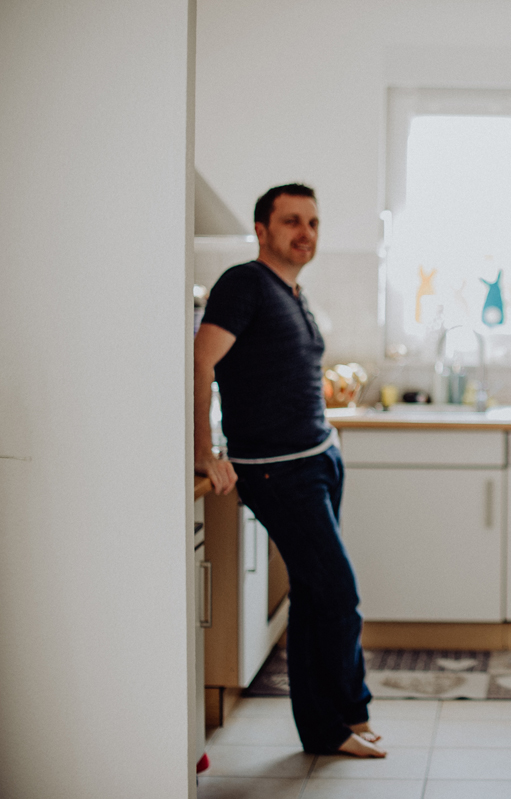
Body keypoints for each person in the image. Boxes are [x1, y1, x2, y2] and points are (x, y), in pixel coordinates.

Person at [194, 184, 384, 758]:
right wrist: (205, 451)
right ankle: (342, 716)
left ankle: (329, 726)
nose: (306, 233)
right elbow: (200, 361)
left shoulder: (289, 290)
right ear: (262, 229)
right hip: (278, 472)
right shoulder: (244, 283)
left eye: (314, 223)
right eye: (292, 222)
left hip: (316, 459)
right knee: (337, 593)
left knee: (313, 594)